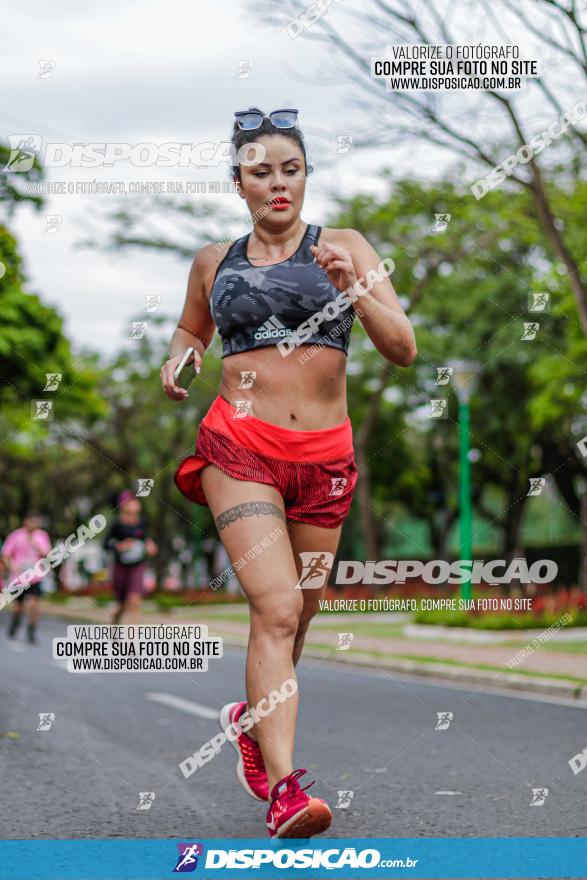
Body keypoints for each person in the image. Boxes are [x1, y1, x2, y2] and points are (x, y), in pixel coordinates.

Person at [161, 107, 416, 838]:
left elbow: (401, 347)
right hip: (238, 448)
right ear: (236, 182)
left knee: (299, 618)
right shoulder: (215, 259)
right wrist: (180, 353)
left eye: (290, 168)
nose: (277, 183)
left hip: (324, 458)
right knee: (274, 610)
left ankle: (251, 723)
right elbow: (190, 326)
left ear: (306, 174)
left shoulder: (345, 244)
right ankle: (284, 791)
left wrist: (356, 287)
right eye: (259, 170)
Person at [103, 491, 158, 624]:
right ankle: (115, 623)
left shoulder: (142, 522)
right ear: (122, 505)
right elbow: (106, 544)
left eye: (135, 501)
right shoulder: (116, 524)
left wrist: (150, 545)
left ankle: (131, 643)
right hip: (120, 568)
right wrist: (119, 546)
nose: (135, 504)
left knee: (134, 601)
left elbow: (145, 539)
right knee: (121, 605)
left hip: (137, 566)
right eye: (130, 501)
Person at [1, 513, 52, 644]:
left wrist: (37, 546)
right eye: (31, 521)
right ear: (26, 522)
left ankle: (31, 630)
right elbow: (6, 554)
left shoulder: (42, 536)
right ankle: (15, 622)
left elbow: (47, 554)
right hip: (19, 578)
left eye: (36, 522)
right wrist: (11, 566)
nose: (34, 524)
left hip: (35, 577)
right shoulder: (16, 535)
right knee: (18, 606)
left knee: (35, 604)